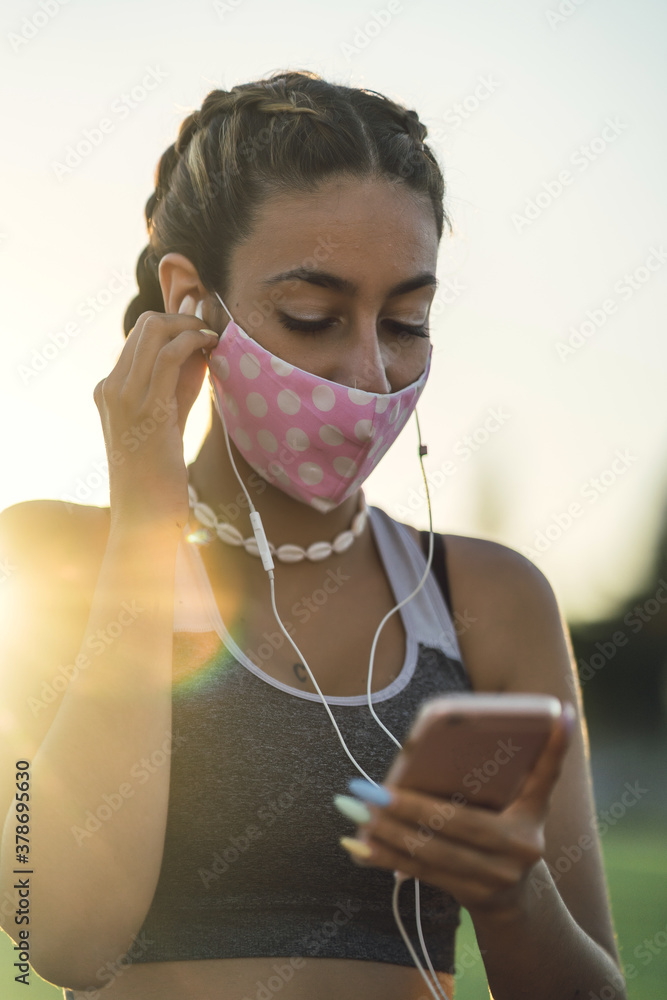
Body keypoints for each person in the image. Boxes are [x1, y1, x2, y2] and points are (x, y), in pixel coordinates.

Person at [0, 70, 626, 1000]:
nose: (371, 369)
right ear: (190, 299)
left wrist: (513, 894)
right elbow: (62, 934)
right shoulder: (46, 560)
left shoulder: (491, 598)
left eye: (407, 320)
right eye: (312, 317)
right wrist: (145, 510)